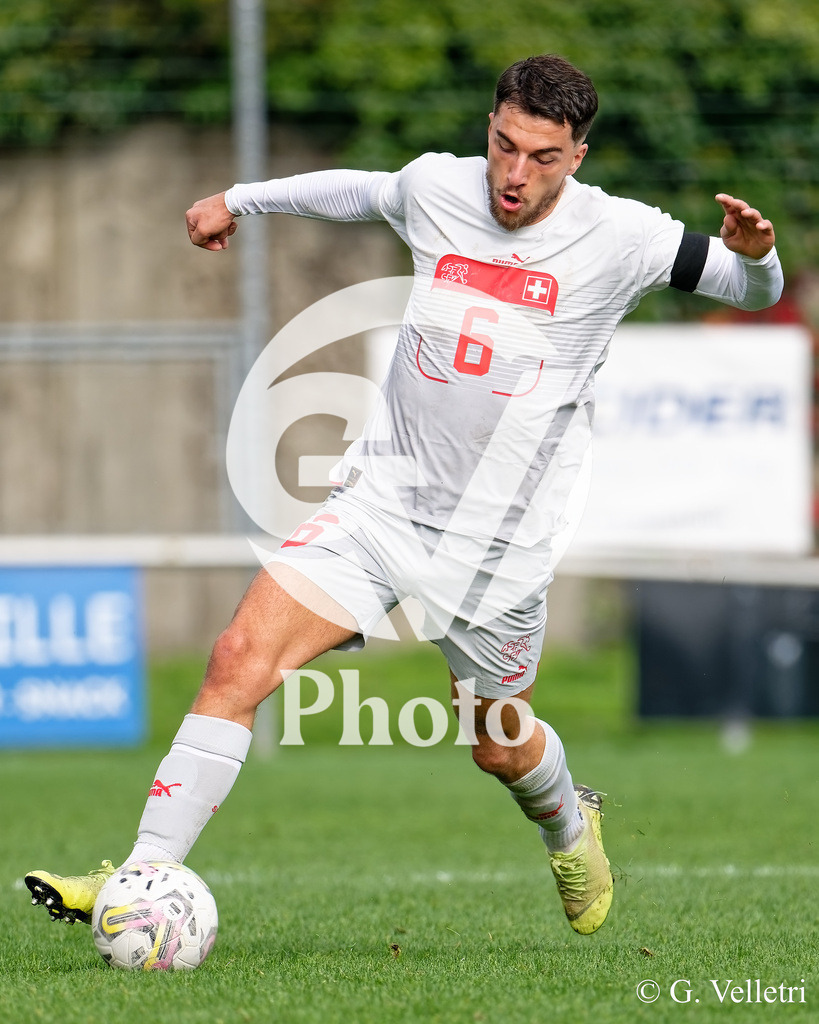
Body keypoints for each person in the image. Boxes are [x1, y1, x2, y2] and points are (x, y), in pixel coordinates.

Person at [25, 54, 782, 937]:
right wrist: (243, 198)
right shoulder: (437, 188)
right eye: (503, 145)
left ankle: (572, 825)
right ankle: (144, 878)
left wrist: (758, 259)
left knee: (497, 745)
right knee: (238, 658)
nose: (513, 173)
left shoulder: (626, 235)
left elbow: (748, 287)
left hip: (496, 553)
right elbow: (360, 190)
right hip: (380, 508)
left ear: (578, 154)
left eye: (541, 157)